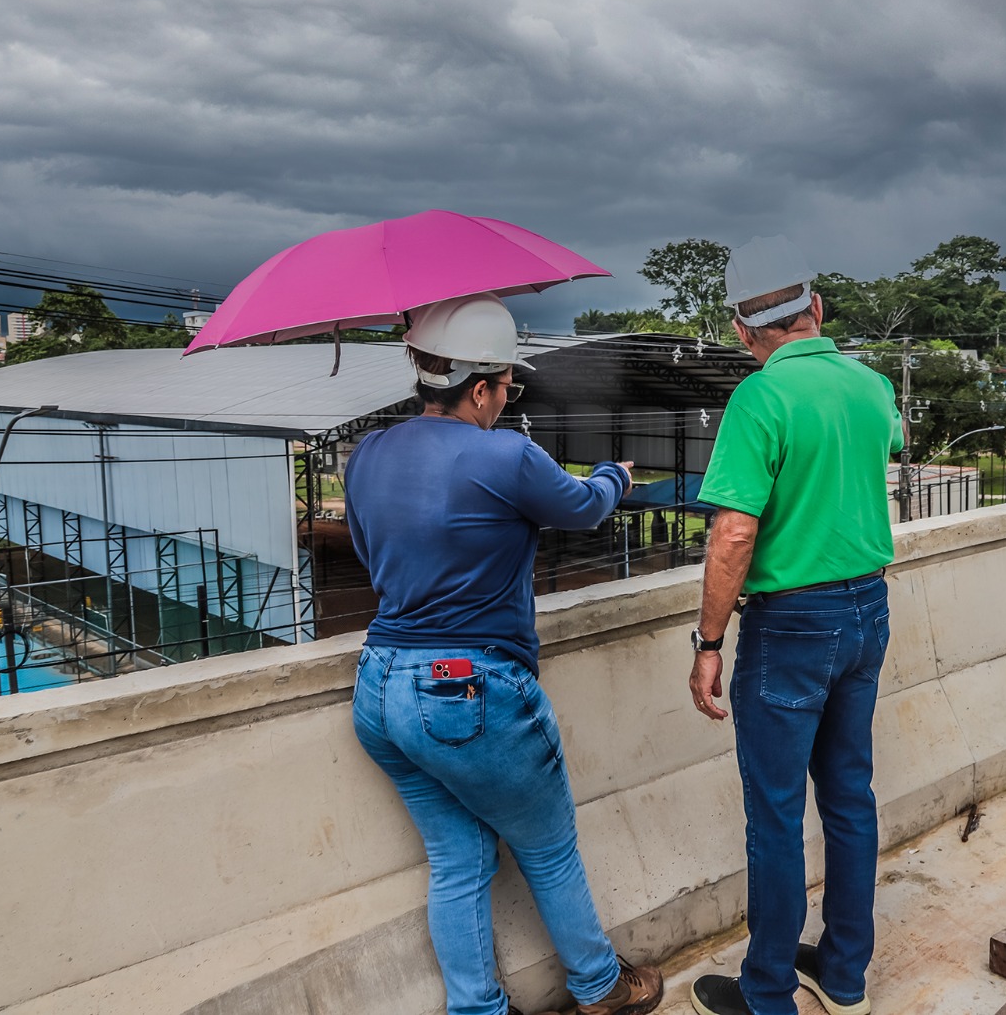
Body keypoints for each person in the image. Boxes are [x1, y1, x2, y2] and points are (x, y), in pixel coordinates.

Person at [345, 293, 663, 1015]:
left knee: (458, 860)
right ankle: (601, 986)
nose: (505, 401)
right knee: (548, 849)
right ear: (482, 386)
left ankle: (477, 1008)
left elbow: (369, 556)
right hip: (465, 691)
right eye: (506, 388)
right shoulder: (504, 453)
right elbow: (583, 508)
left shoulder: (367, 453)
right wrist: (616, 474)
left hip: (379, 686)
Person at [687, 237, 902, 1015]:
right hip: (866, 610)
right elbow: (888, 448)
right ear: (817, 310)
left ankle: (768, 992)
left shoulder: (760, 398)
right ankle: (844, 974)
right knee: (849, 796)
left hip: (790, 626)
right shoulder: (873, 385)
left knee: (775, 812)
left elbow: (734, 535)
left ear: (743, 335)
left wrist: (709, 644)